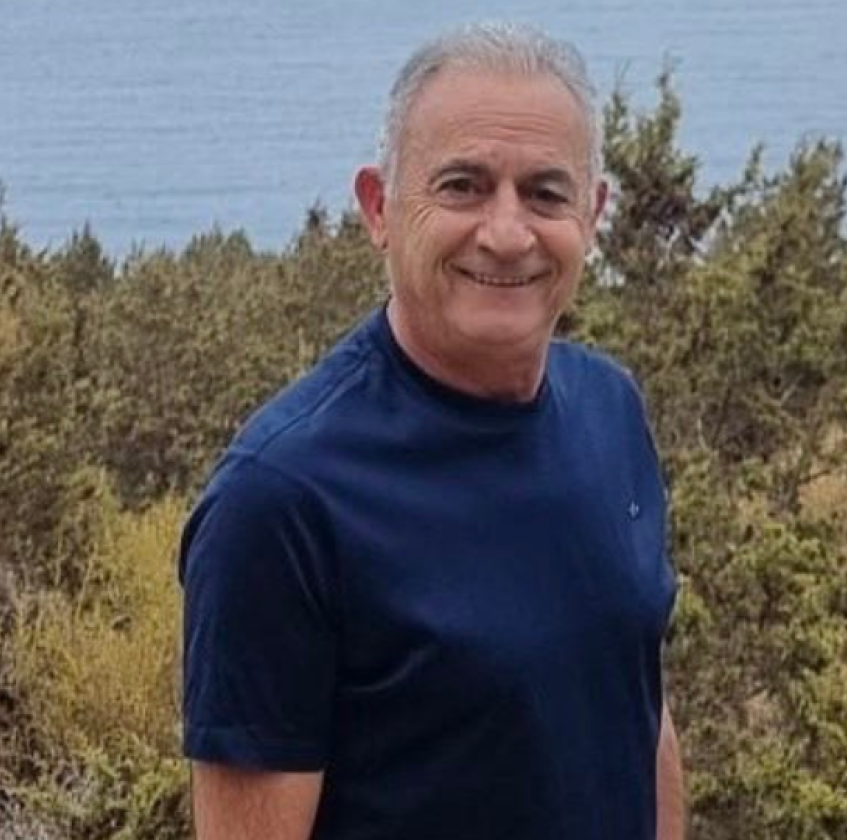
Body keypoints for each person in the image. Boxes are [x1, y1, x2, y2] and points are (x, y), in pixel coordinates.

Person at [180, 21, 683, 840]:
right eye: (462, 186)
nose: (507, 233)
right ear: (379, 207)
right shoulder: (282, 500)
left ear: (592, 216)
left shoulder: (611, 411)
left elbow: (637, 703)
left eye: (546, 194)